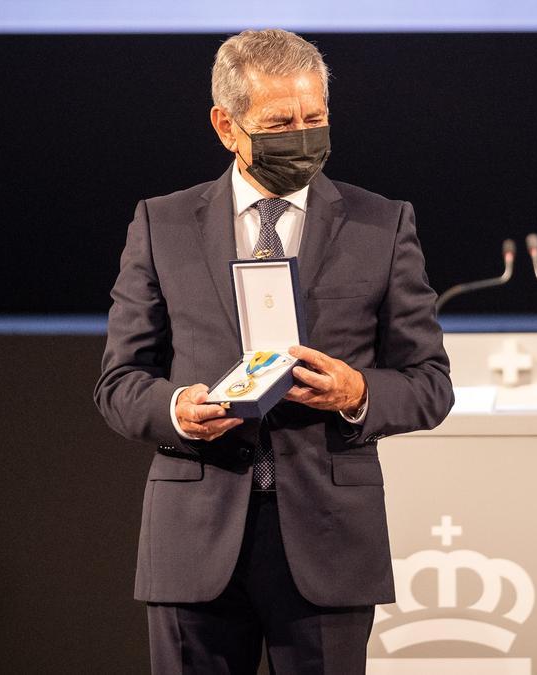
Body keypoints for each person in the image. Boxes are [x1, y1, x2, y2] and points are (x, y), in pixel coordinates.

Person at [94, 28, 453, 674]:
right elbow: (119, 382)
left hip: (329, 541)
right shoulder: (161, 224)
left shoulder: (383, 225)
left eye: (315, 118)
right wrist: (177, 408)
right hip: (193, 542)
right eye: (281, 122)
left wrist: (358, 393)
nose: (303, 136)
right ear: (226, 126)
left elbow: (430, 382)